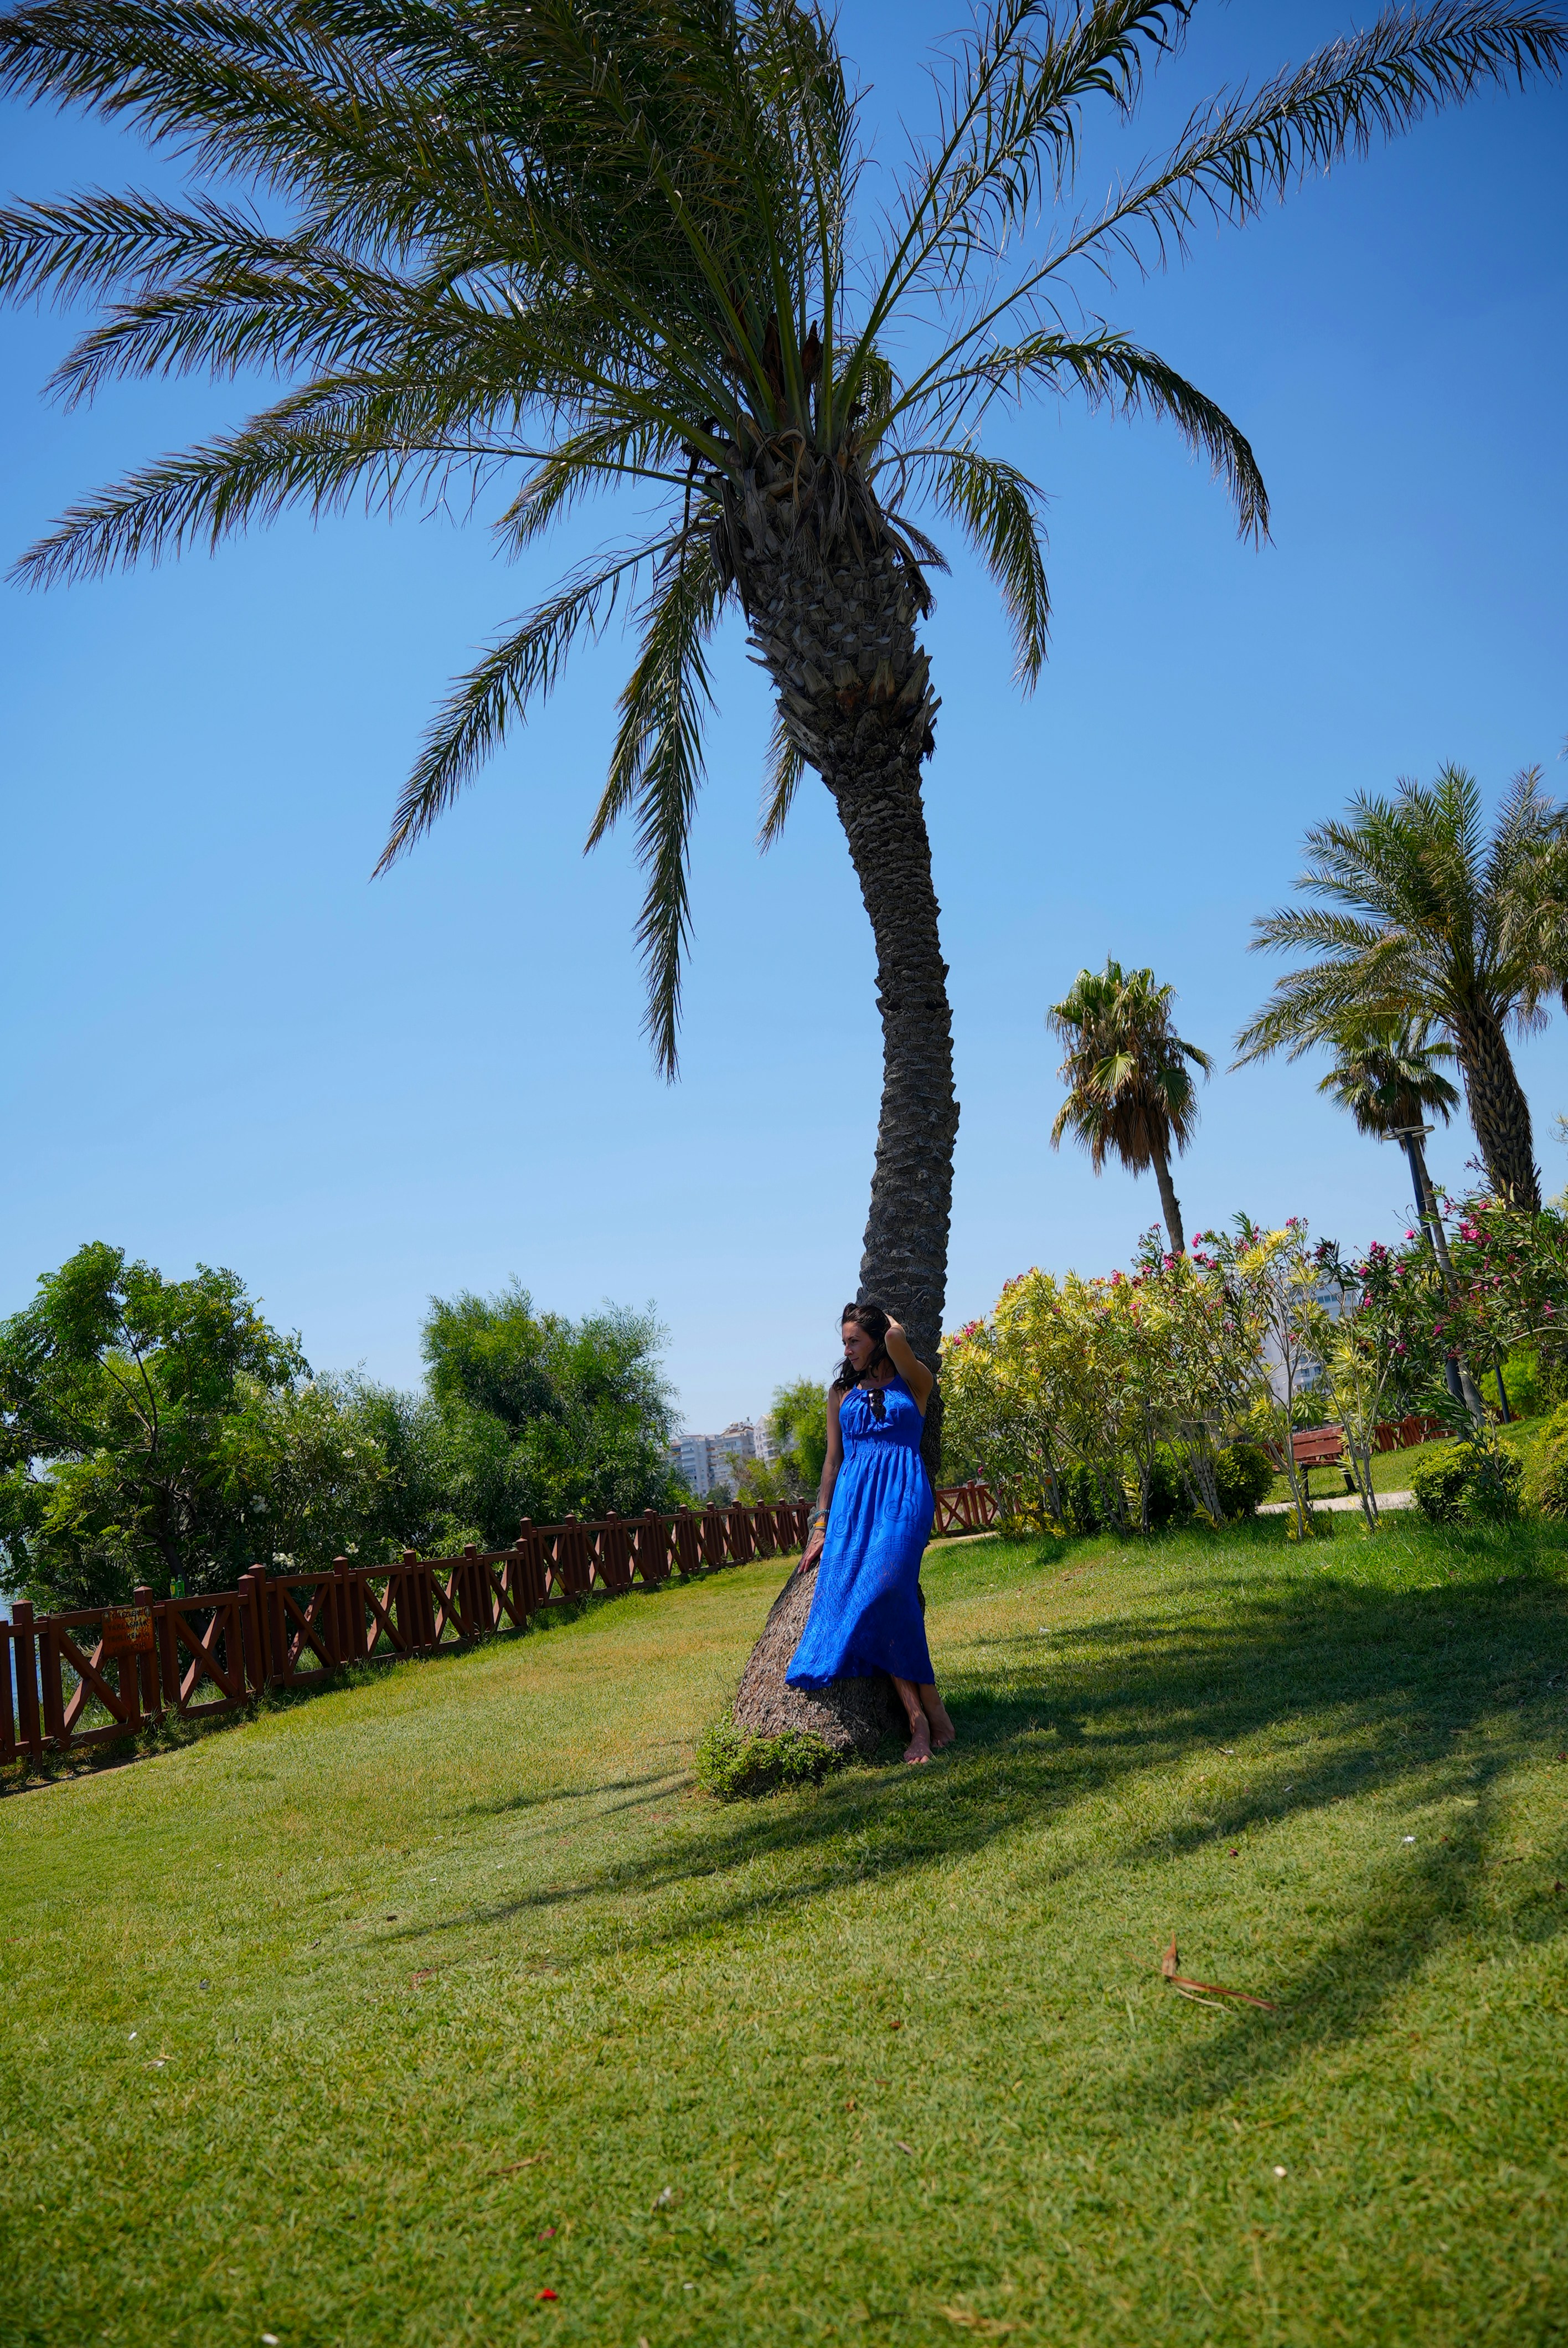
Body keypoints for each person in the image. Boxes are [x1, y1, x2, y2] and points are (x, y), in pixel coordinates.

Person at [786, 1300, 957, 1765]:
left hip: (904, 1494)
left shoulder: (915, 1383)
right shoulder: (840, 1392)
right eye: (844, 1342)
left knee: (888, 1588)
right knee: (871, 1598)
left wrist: (890, 1324)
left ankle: (931, 1712)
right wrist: (821, 1524)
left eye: (854, 1340)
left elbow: (899, 1342)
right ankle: (920, 1719)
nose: (847, 1349)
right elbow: (832, 1462)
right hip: (855, 1504)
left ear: (880, 1338)